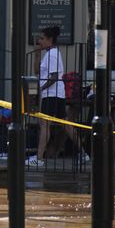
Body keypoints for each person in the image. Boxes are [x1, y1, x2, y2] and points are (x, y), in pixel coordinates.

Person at [30, 25, 65, 167]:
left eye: (42, 38)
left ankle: (39, 158)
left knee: (44, 124)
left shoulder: (53, 54)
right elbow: (37, 71)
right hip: (51, 94)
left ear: (50, 39)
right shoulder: (47, 54)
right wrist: (37, 54)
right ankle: (83, 153)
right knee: (65, 124)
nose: (40, 41)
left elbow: (54, 77)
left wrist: (40, 89)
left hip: (52, 94)